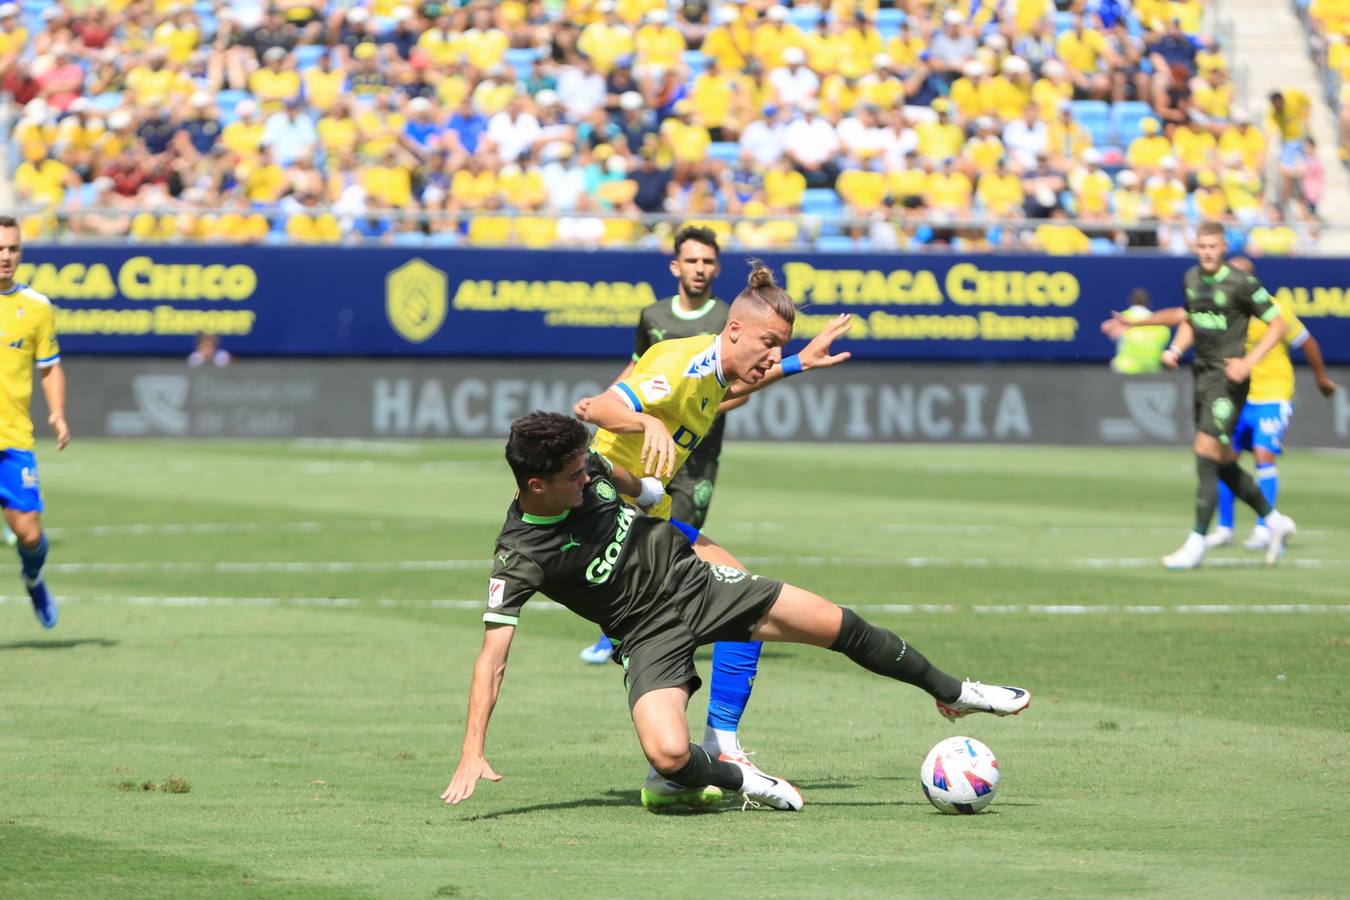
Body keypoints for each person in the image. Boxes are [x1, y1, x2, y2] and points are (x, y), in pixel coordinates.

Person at [441, 412, 1031, 812]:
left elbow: (611, 472)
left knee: (837, 624)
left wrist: (644, 491)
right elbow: (492, 659)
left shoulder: (583, 465)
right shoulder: (518, 556)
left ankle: (955, 691)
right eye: (573, 475)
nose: (585, 474)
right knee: (668, 756)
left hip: (699, 583)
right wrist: (473, 749)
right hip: (647, 634)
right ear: (537, 485)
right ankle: (740, 777)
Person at [575, 263, 855, 808]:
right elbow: (594, 407)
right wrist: (646, 423)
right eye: (770, 344)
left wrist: (799, 363)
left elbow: (731, 391)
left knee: (736, 590)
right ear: (734, 332)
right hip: (611, 520)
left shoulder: (715, 380)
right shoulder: (682, 360)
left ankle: (701, 754)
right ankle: (699, 756)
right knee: (726, 601)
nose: (772, 357)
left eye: (780, 347)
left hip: (644, 517)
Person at [575, 225, 733, 667]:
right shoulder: (653, 316)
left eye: (708, 262)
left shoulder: (727, 322)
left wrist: (691, 414)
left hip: (696, 454)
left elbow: (737, 384)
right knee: (628, 538)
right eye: (693, 260)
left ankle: (668, 629)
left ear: (717, 268)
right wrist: (603, 401)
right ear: (676, 265)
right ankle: (619, 631)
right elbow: (637, 368)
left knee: (675, 541)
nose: (700, 269)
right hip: (645, 449)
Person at [1102, 222, 1297, 570]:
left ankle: (1196, 542)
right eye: (1201, 246)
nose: (1207, 252)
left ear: (1223, 247)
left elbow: (1278, 324)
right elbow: (1188, 318)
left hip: (1229, 381)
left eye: (1213, 246)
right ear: (1196, 248)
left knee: (1204, 451)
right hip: (1202, 376)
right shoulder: (1191, 279)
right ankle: (1274, 519)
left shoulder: (1241, 283)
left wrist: (1249, 361)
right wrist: (1168, 343)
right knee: (1222, 461)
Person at [1206, 257, 1338, 551]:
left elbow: (1309, 343)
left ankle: (1266, 527)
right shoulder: (1225, 309)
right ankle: (1225, 528)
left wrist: (1321, 381)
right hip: (1239, 395)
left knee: (1264, 454)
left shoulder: (1276, 309)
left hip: (1273, 393)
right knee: (1224, 458)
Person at [0, 216, 67, 627]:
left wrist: (57, 411)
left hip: (13, 437)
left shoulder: (37, 308)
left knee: (28, 534)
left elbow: (50, 367)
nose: (5, 257)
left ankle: (33, 577)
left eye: (12, 249)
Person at [1110, 289, 1171, 374]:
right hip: (1153, 368)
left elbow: (1112, 333)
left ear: (1130, 301)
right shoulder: (1160, 324)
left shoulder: (1122, 318)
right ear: (1148, 303)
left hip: (1125, 368)